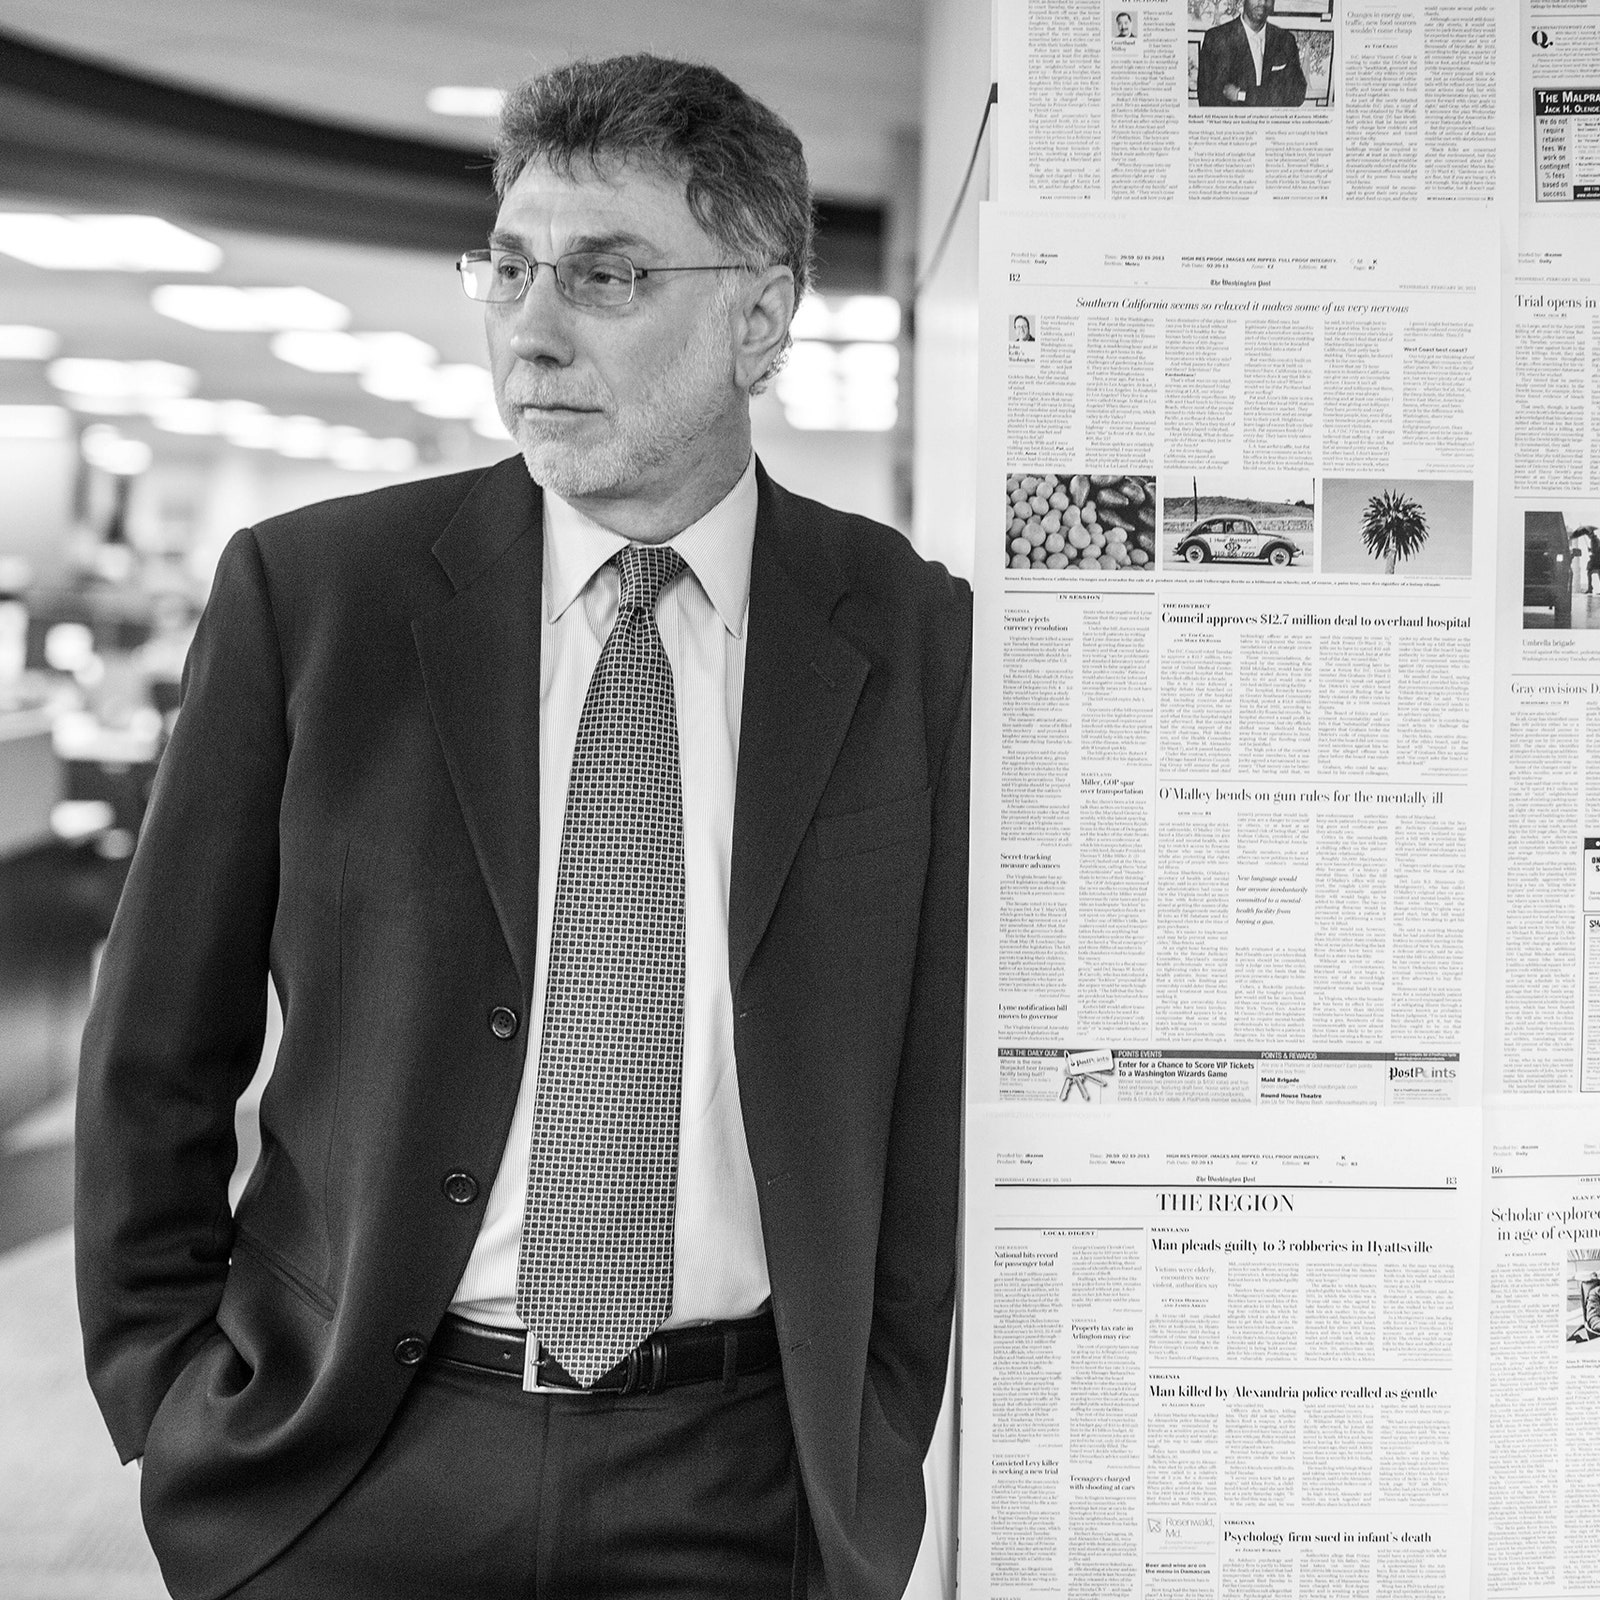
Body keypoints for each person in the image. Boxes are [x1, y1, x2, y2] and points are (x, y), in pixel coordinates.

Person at [75, 53, 971, 1600]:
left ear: (759, 318)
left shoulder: (907, 635)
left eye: (608, 276)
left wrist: (873, 1429)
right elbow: (158, 1040)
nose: (532, 330)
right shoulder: (318, 598)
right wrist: (166, 1393)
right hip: (348, 1460)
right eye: (509, 268)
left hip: (741, 1479)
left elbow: (921, 1081)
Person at [1196, 0, 1307, 108]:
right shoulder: (1216, 39)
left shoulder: (1285, 40)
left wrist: (1242, 95)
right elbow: (1208, 99)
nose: (1263, 3)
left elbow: (1297, 94)